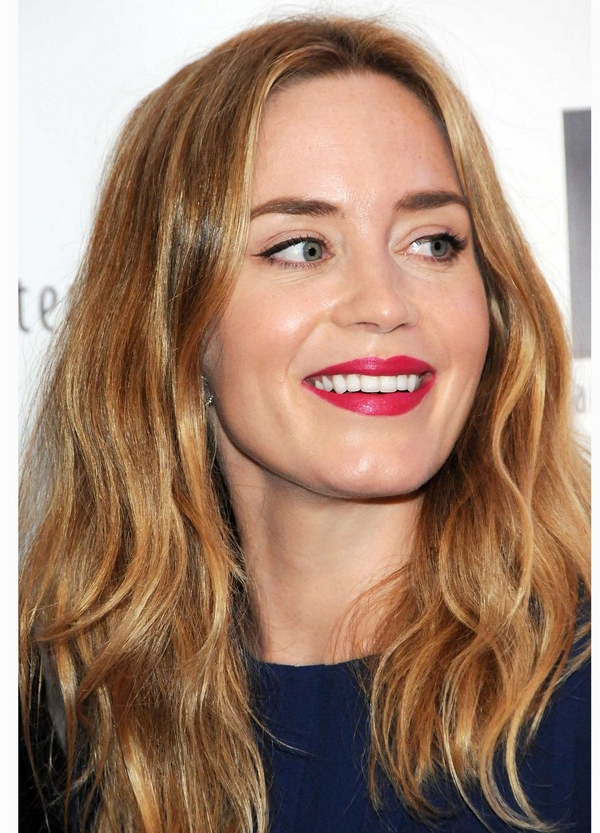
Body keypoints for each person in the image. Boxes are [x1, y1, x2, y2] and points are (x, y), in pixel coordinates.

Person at [19, 15, 590, 833]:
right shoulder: (72, 725)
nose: (385, 304)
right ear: (174, 320)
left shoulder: (578, 698)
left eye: (433, 242)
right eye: (301, 248)